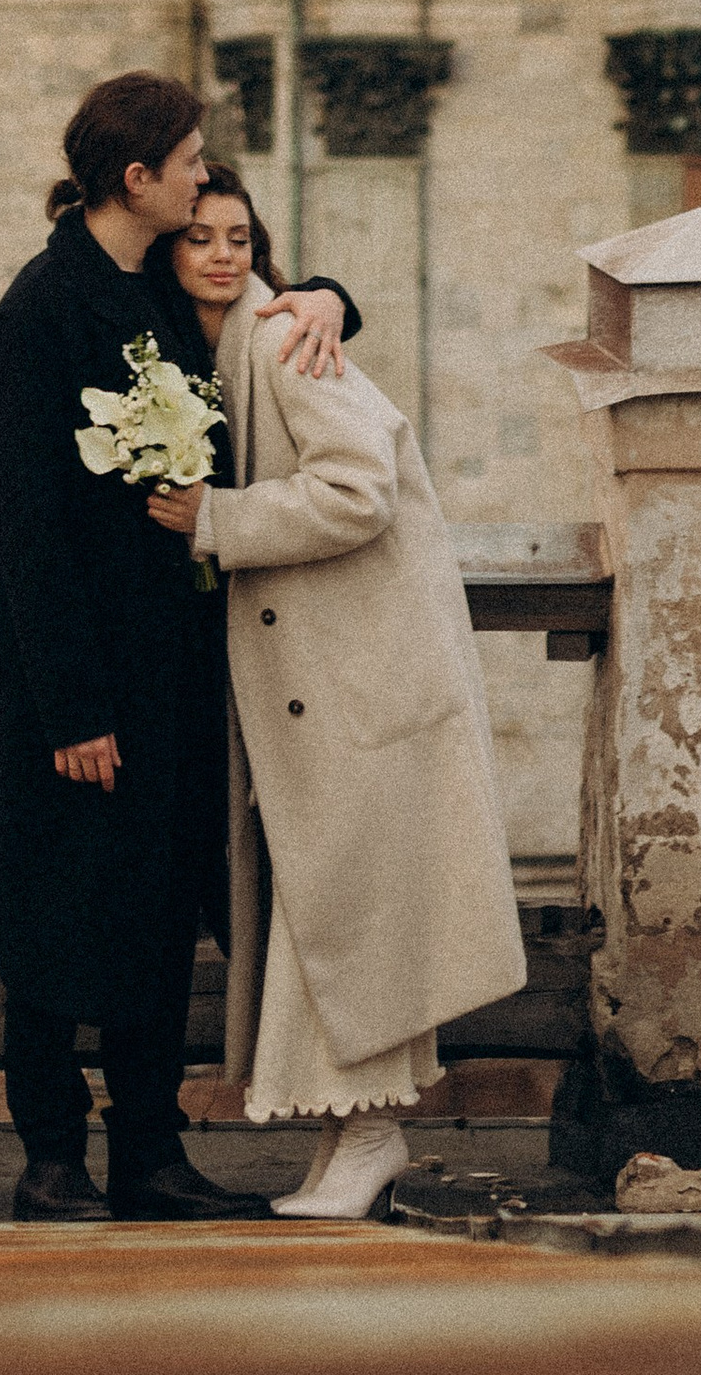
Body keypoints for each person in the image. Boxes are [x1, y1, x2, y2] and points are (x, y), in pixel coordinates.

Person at [0, 72, 356, 1223]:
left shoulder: (152, 286)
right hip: (80, 683)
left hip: (181, 672)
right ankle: (52, 1161)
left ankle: (150, 1152)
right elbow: (29, 530)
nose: (205, 179)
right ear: (136, 179)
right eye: (190, 163)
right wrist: (73, 710)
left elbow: (259, 301)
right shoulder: (39, 314)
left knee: (152, 916)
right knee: (52, 923)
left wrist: (329, 293)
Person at [151, 166, 525, 1223]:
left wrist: (215, 521)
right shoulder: (232, 345)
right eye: (199, 237)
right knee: (321, 911)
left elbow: (356, 488)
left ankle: (367, 1137)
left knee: (340, 910)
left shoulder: (272, 338)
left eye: (239, 236)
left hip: (352, 676)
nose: (223, 254)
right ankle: (349, 1145)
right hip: (321, 678)